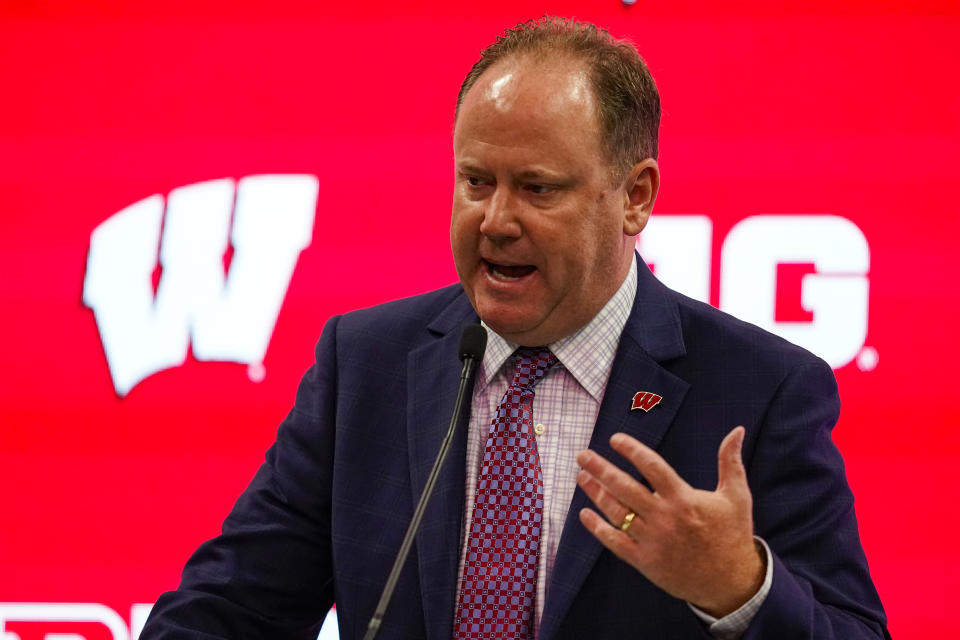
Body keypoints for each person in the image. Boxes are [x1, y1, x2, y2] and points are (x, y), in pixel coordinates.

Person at [141, 17, 889, 639]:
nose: (495, 221)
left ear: (635, 198)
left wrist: (739, 589)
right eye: (476, 182)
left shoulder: (758, 390)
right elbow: (229, 610)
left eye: (537, 188)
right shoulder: (364, 364)